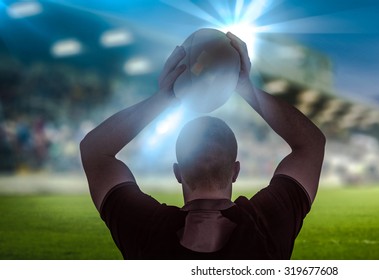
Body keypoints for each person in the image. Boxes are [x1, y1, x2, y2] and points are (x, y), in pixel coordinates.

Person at [80, 32, 326, 259]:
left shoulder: (146, 230)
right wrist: (246, 88)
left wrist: (165, 96)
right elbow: (311, 144)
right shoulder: (268, 226)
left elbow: (94, 151)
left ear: (178, 173)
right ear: (236, 171)